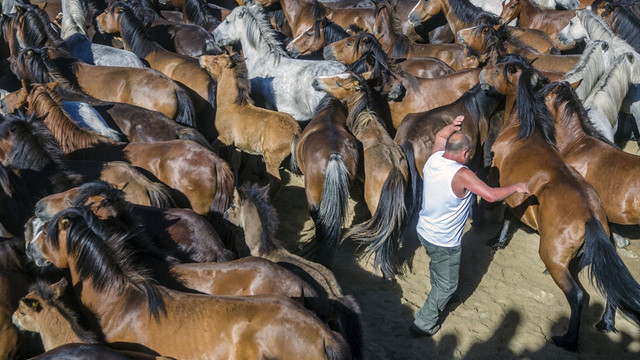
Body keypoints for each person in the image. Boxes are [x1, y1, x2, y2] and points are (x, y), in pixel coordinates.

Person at [410, 115, 529, 338]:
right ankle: (423, 324)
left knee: (439, 266)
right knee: (447, 284)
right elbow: (492, 196)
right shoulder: (462, 174)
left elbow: (439, 136)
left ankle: (441, 289)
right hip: (444, 241)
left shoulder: (434, 158)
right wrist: (516, 186)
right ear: (465, 154)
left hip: (424, 230)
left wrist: (452, 126)